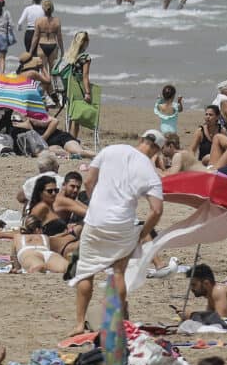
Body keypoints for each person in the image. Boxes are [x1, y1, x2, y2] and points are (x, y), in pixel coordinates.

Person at [68, 131, 166, 334]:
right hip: (122, 223)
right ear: (157, 150)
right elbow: (156, 210)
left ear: (141, 140)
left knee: (86, 271)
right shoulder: (150, 172)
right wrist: (143, 234)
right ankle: (118, 321)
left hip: (95, 220)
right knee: (118, 272)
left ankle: (79, 324)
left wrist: (96, 204)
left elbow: (88, 182)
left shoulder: (110, 150)